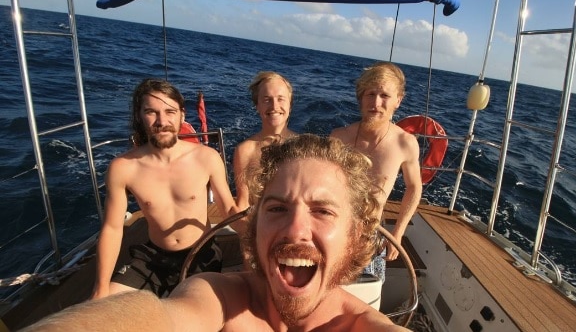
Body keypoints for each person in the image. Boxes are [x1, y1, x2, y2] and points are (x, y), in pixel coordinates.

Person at [24, 134, 410, 332]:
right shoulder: (218, 297)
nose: (295, 228)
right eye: (276, 209)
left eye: (323, 211)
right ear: (254, 228)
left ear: (357, 238)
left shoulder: (364, 326)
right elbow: (164, 318)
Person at [91, 78, 240, 299]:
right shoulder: (123, 168)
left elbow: (228, 209)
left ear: (182, 114)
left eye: (170, 111)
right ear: (139, 116)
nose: (162, 121)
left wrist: (260, 237)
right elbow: (112, 229)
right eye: (151, 112)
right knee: (104, 312)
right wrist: (100, 288)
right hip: (152, 258)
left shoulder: (206, 158)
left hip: (201, 255)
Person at [330, 62, 423, 283]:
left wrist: (397, 233)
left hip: (373, 235)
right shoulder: (338, 138)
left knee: (365, 297)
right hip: (334, 229)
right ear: (360, 98)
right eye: (370, 94)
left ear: (398, 100)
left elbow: (414, 186)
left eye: (384, 95)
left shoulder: (405, 143)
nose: (376, 102)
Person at [233, 71, 297, 211]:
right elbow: (243, 203)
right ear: (257, 106)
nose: (274, 106)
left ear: (290, 105)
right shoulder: (244, 151)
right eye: (267, 99)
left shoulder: (303, 146)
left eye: (281, 99)